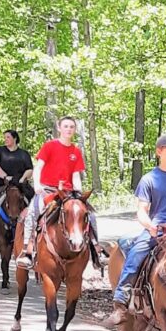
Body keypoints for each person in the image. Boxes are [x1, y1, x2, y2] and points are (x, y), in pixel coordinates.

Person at [103, 133, 166, 326]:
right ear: (159, 152)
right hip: (159, 228)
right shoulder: (149, 179)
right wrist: (149, 226)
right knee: (136, 253)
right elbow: (142, 211)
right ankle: (121, 300)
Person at [16, 116, 110, 271]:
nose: (69, 129)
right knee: (32, 212)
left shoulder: (76, 151)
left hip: (67, 192)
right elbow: (38, 167)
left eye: (72, 127)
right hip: (48, 189)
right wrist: (38, 185)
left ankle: (96, 250)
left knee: (90, 215)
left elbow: (75, 175)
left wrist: (78, 192)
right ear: (59, 128)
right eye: (66, 126)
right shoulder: (49, 146)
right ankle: (28, 251)